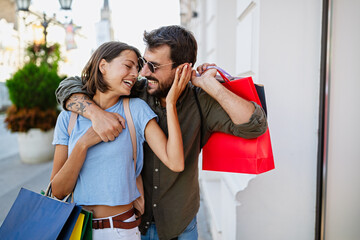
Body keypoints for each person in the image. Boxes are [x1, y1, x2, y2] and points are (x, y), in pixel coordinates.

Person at [55, 25, 268, 240]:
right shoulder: (135, 90)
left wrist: (210, 85)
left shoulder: (200, 100)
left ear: (182, 68)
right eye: (144, 63)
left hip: (179, 224)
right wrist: (95, 114)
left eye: (153, 66)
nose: (144, 72)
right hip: (137, 222)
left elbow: (254, 125)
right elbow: (69, 86)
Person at [50, 41, 191, 240]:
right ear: (103, 66)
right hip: (78, 230)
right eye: (128, 65)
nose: (135, 73)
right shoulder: (68, 118)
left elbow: (175, 162)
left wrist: (171, 103)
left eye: (137, 67)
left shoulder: (136, 110)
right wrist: (83, 144)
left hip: (121, 230)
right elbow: (57, 191)